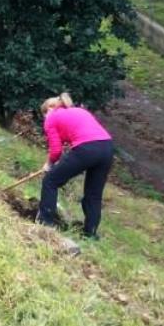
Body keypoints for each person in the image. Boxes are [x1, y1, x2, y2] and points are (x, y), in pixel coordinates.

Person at [37, 93, 115, 239]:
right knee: (94, 194)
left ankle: (45, 223)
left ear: (48, 109)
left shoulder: (51, 118)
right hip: (107, 147)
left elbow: (56, 151)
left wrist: (48, 165)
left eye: (43, 115)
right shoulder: (79, 111)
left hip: (87, 148)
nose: (44, 119)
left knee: (50, 181)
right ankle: (90, 234)